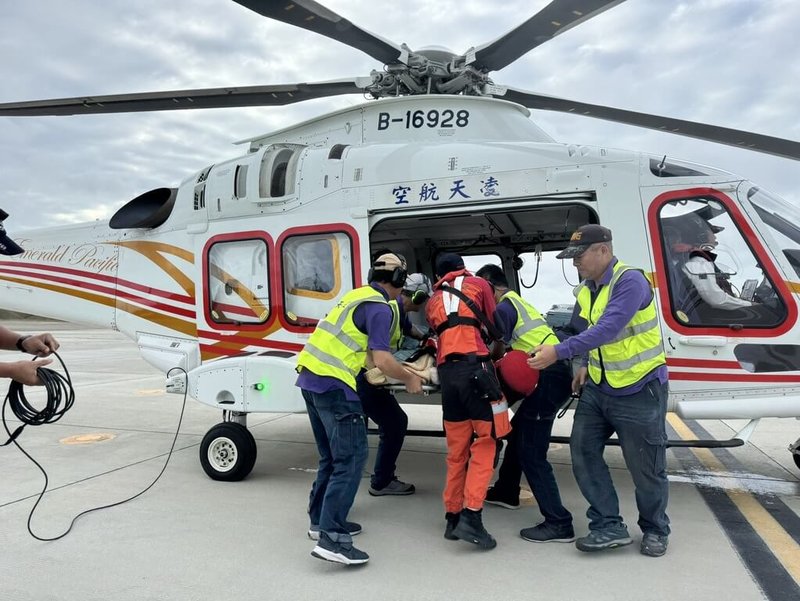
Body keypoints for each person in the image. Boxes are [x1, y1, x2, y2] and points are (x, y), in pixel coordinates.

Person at [529, 224, 670, 558]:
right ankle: (608, 525)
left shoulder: (630, 281)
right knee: (582, 452)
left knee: (645, 468)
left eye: (580, 256)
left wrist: (558, 354)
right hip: (599, 387)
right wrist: (579, 364)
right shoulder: (586, 289)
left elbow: (608, 329)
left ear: (603, 251)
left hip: (639, 387)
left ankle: (655, 529)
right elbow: (579, 330)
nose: (575, 263)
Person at [295, 252, 424, 565]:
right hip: (336, 385)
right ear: (397, 281)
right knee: (351, 459)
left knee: (330, 457)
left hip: (310, 380)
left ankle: (319, 522)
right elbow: (381, 360)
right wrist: (410, 377)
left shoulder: (356, 296)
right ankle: (333, 538)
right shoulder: (380, 308)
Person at [475, 264, 575, 543]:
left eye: (482, 292)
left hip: (548, 376)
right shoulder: (517, 303)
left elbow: (492, 347)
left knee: (532, 452)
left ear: (490, 286)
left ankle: (559, 522)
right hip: (548, 374)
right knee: (518, 431)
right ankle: (507, 491)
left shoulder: (505, 307)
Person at [426, 252, 506, 550]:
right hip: (477, 371)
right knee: (487, 441)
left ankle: (452, 516)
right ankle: (472, 516)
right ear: (463, 267)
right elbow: (494, 323)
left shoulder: (433, 300)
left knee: (456, 450)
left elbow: (440, 333)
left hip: (448, 376)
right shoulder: (478, 285)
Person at [356, 272, 433, 497]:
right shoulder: (389, 310)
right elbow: (380, 358)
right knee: (395, 423)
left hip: (365, 374)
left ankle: (380, 478)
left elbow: (409, 329)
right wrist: (409, 377)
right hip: (365, 375)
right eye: (424, 299)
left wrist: (426, 339)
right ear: (418, 297)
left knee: (390, 423)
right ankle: (381, 482)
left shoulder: (397, 310)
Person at [667, 213, 753, 320]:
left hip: (702, 315)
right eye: (712, 232)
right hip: (708, 318)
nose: (715, 236)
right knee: (767, 313)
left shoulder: (691, 259)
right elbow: (715, 299)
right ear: (701, 236)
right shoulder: (698, 261)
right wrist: (750, 305)